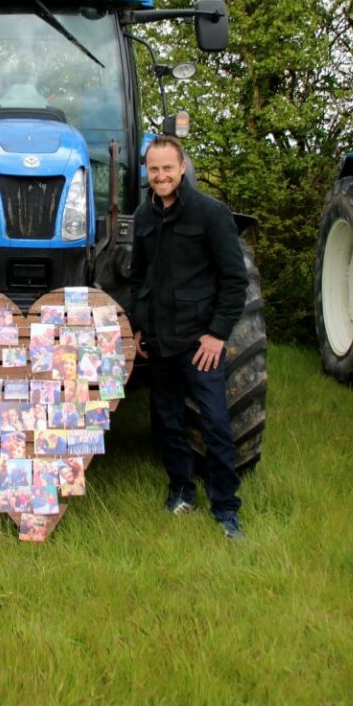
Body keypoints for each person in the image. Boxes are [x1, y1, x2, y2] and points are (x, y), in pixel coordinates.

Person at [129, 136, 248, 540]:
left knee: (215, 423)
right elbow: (140, 277)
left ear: (182, 168)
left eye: (167, 168)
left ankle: (226, 508)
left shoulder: (210, 214)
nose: (160, 176)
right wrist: (140, 326)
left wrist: (217, 334)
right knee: (168, 422)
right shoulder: (144, 217)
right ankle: (181, 490)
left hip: (200, 345)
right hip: (160, 341)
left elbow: (235, 280)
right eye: (154, 169)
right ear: (147, 172)